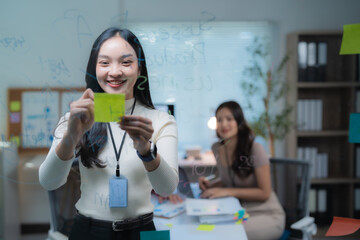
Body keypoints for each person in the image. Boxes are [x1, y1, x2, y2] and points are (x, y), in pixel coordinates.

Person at [39, 27, 179, 240]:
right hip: (88, 231)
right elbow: (49, 182)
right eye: (104, 63)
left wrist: (146, 150)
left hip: (142, 231)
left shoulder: (161, 121)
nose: (114, 72)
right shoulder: (77, 119)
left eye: (126, 62)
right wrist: (71, 137)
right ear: (94, 69)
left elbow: (167, 188)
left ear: (139, 69)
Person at [198, 101, 285, 240]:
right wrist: (211, 184)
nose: (224, 124)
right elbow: (229, 179)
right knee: (206, 228)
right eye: (219, 120)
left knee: (222, 234)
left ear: (239, 122)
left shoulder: (255, 148)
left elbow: (265, 193)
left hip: (266, 214)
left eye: (229, 119)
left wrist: (226, 191)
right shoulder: (217, 148)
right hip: (239, 211)